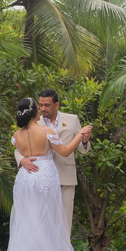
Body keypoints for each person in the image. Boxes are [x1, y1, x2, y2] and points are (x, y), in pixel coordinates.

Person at [1, 98, 126, 251]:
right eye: (39, 108)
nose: (41, 110)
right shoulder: (46, 131)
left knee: (28, 221)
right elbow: (64, 151)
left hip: (25, 178)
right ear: (34, 113)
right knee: (47, 221)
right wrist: (79, 135)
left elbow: (20, 151)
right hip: (44, 177)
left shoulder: (16, 135)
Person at [13, 89, 91, 236]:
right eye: (41, 105)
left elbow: (82, 149)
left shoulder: (72, 119)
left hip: (65, 176)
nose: (43, 109)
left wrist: (85, 141)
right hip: (40, 176)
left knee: (65, 219)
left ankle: (62, 248)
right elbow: (18, 149)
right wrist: (22, 160)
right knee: (41, 220)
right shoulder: (33, 120)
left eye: (47, 105)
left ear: (56, 105)